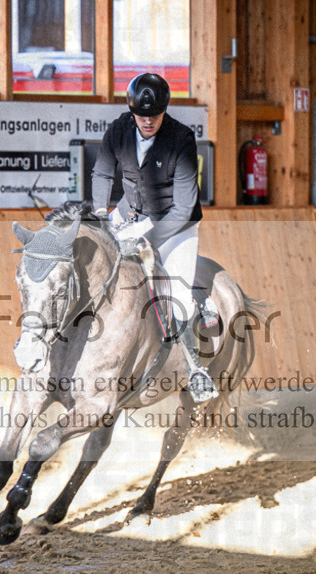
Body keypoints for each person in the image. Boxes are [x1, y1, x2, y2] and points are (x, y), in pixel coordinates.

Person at [90, 72, 217, 403]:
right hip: (128, 213)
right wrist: (102, 217)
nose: (148, 122)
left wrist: (145, 240)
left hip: (176, 225)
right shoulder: (119, 129)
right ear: (131, 111)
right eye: (141, 116)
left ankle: (194, 368)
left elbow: (185, 204)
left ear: (165, 111)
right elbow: (103, 172)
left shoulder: (181, 138)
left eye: (154, 116)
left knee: (176, 297)